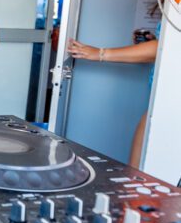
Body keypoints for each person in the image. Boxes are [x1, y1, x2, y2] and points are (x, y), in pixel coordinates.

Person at [67, 35, 159, 168]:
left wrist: (101, 53)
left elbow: (163, 47)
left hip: (166, 104)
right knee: (137, 172)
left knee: (137, 173)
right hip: (157, 103)